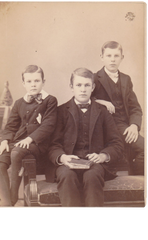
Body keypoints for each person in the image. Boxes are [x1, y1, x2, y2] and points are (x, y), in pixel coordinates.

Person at [48, 68, 123, 207]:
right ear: (71, 87)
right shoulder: (61, 111)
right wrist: (63, 157)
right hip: (68, 163)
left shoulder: (103, 112)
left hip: (94, 164)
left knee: (92, 176)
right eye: (79, 85)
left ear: (93, 87)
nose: (83, 89)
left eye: (87, 85)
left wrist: (103, 156)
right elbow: (53, 144)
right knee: (67, 176)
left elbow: (116, 143)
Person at [0, 65, 57, 206]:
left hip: (37, 144)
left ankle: (13, 197)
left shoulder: (50, 101)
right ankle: (7, 205)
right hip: (17, 142)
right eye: (29, 81)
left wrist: (30, 139)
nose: (33, 84)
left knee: (17, 152)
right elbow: (11, 125)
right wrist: (5, 140)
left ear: (43, 81)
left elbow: (48, 125)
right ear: (23, 83)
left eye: (36, 81)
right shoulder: (18, 103)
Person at [92, 41, 144, 175]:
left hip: (126, 126)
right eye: (108, 55)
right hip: (109, 126)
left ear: (122, 57)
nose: (112, 59)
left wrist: (134, 125)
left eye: (116, 56)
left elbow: (135, 108)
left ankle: (136, 176)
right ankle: (136, 176)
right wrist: (101, 101)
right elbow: (83, 99)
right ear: (101, 57)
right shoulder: (94, 78)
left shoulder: (126, 79)